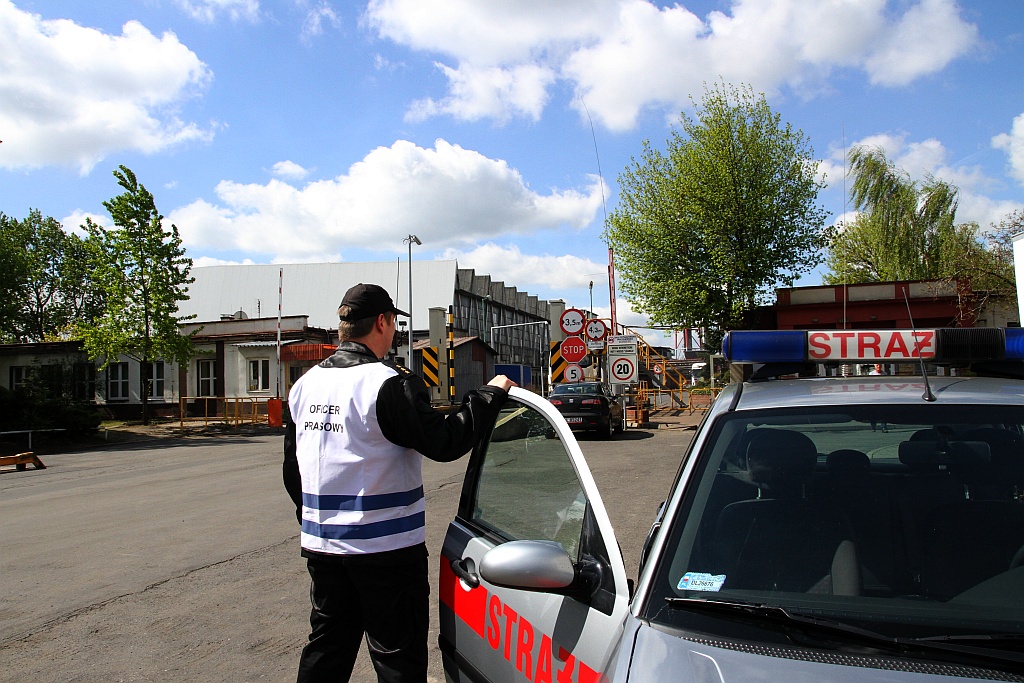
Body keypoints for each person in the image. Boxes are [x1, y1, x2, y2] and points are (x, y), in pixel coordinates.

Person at [283, 283, 515, 683]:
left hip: (323, 549)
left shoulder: (305, 384)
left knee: (327, 648)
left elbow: (293, 471)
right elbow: (444, 441)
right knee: (397, 658)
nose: (393, 332)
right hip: (385, 552)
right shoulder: (386, 383)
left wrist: (315, 521)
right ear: (382, 322)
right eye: (393, 323)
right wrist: (489, 396)